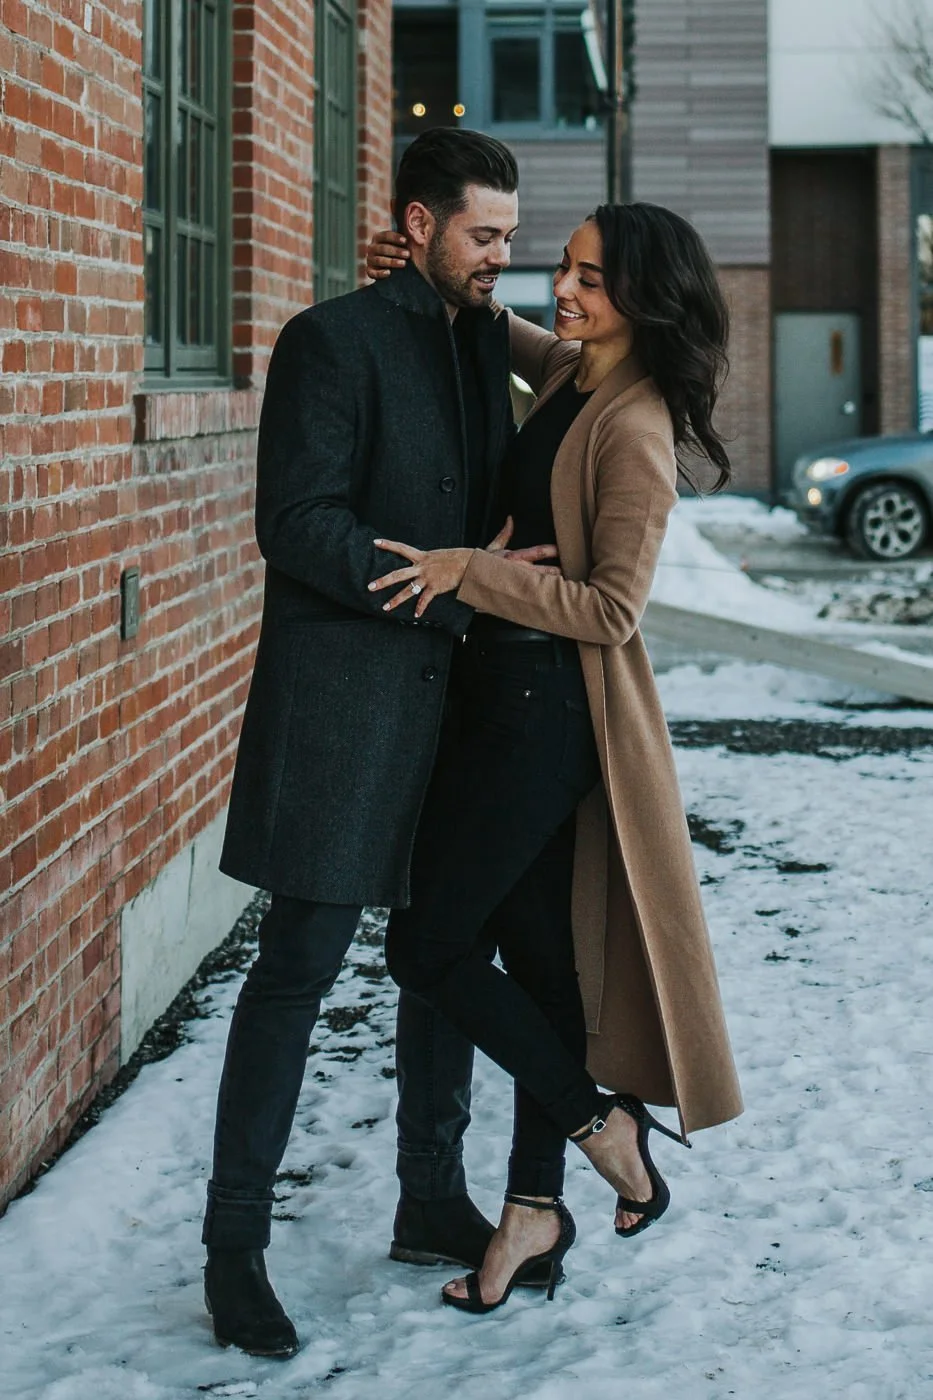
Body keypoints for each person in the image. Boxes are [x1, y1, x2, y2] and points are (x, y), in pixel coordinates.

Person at [205, 128, 560, 1357]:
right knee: (296, 967)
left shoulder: (477, 337)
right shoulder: (327, 341)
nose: (503, 256)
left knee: (439, 955)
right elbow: (295, 522)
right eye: (483, 234)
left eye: (511, 235)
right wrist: (460, 588)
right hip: (344, 702)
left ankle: (427, 1197)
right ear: (417, 224)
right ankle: (232, 1248)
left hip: (454, 713)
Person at [364, 202, 744, 1312]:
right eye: (563, 268)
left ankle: (599, 1121)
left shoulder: (633, 425)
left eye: (587, 277)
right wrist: (435, 275)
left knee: (429, 945)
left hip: (545, 715)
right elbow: (506, 338)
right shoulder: (583, 375)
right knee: (539, 969)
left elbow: (612, 607)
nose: (561, 289)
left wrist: (463, 569)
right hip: (503, 699)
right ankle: (532, 1207)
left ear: (643, 294)